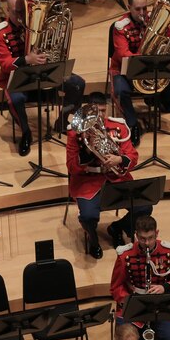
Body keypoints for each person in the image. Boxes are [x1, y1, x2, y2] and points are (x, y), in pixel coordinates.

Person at [0, 0, 85, 157]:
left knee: (78, 84)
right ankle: (26, 133)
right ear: (7, 11)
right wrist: (27, 59)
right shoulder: (0, 33)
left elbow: (54, 45)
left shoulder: (40, 23)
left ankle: (62, 121)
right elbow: (5, 64)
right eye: (16, 12)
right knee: (17, 99)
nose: (22, 16)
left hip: (43, 72)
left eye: (23, 11)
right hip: (16, 77)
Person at [67, 93, 146, 258]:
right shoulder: (75, 133)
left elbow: (133, 156)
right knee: (88, 216)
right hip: (88, 182)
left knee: (144, 207)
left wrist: (119, 159)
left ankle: (117, 228)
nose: (101, 116)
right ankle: (93, 239)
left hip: (117, 179)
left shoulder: (119, 127)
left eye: (103, 111)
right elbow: (72, 166)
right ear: (88, 111)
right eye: (97, 112)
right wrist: (87, 151)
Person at [110, 0, 170, 146]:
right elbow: (123, 54)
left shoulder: (153, 19)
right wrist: (145, 53)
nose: (142, 13)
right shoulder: (120, 27)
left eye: (144, 8)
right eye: (137, 9)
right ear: (129, 7)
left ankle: (154, 101)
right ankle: (133, 125)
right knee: (121, 91)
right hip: (124, 71)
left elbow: (169, 37)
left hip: (149, 70)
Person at [110, 214, 170, 340]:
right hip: (133, 303)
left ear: (157, 233)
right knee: (126, 339)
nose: (146, 243)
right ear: (135, 235)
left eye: (151, 238)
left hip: (162, 303)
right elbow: (116, 287)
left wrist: (164, 288)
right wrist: (129, 301)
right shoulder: (124, 255)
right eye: (142, 238)